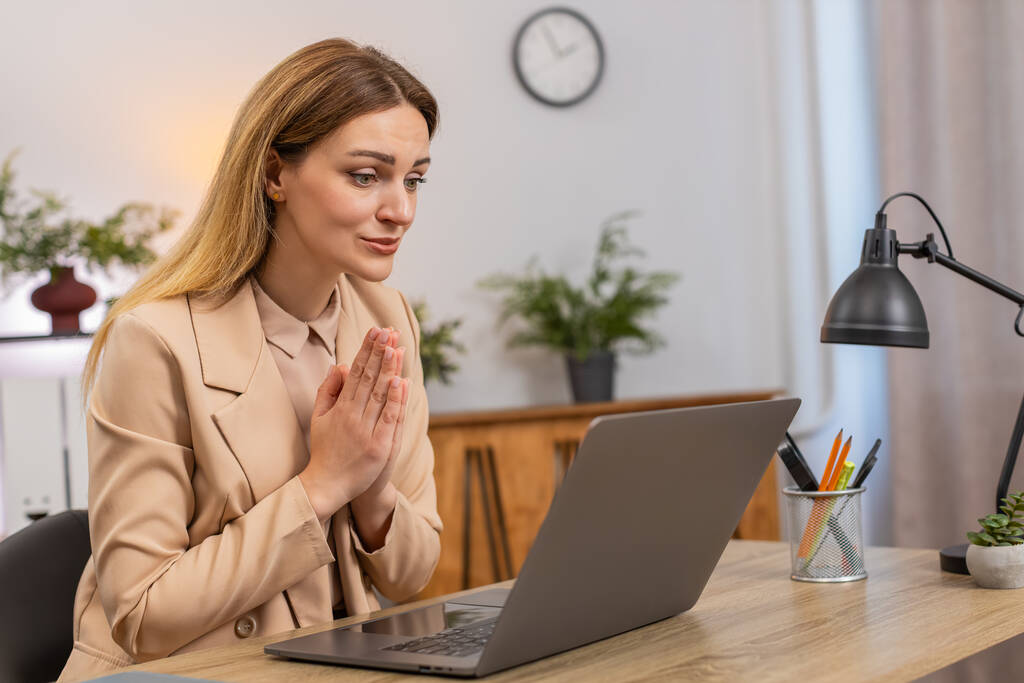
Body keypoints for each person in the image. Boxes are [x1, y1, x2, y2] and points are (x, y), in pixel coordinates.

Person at [58, 38, 442, 682]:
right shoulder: (153, 340)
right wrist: (324, 484)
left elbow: (410, 574)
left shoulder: (387, 317)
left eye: (415, 179)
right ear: (273, 175)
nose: (399, 209)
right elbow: (143, 615)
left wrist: (372, 484)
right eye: (366, 175)